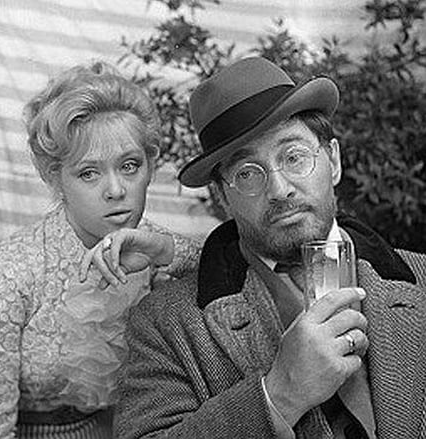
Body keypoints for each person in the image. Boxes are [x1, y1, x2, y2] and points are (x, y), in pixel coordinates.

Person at [115, 56, 426, 439]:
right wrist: (279, 394)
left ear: (333, 160)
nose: (279, 189)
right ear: (222, 196)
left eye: (294, 157)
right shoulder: (164, 324)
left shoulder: (422, 279)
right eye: (247, 173)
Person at [0, 61, 200, 439]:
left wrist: (167, 251)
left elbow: (231, 277)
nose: (115, 190)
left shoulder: (154, 246)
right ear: (55, 177)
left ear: (150, 166)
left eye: (129, 166)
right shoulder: (7, 273)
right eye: (89, 173)